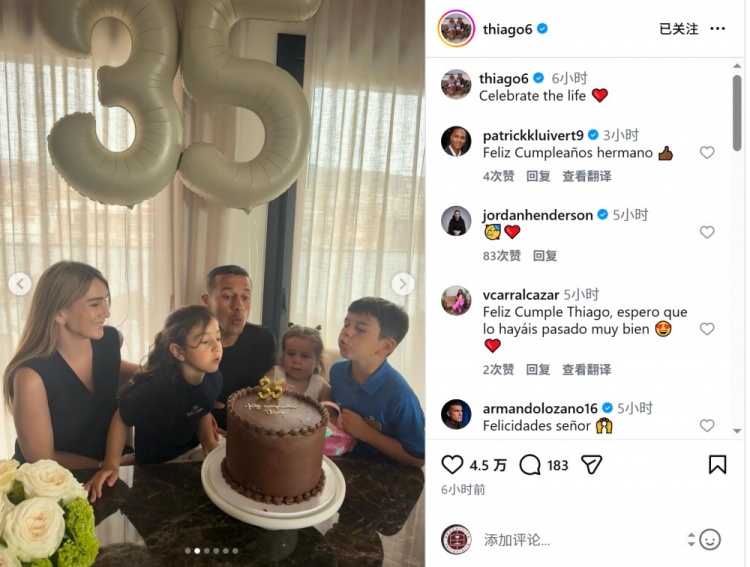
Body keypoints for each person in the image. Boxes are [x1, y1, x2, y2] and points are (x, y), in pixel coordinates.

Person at [3, 261, 139, 469]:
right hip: (51, 478)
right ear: (59, 313)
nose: (106, 312)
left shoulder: (110, 340)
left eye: (105, 301)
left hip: (109, 468)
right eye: (95, 304)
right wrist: (107, 465)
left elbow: (127, 374)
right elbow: (41, 459)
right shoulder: (30, 377)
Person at [85, 305, 223, 502]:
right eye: (205, 341)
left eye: (218, 338)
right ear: (178, 351)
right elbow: (122, 417)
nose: (217, 347)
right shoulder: (155, 388)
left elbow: (202, 409)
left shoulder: (214, 377)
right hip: (154, 466)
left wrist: (210, 444)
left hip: (192, 452)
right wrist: (111, 465)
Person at [330, 297, 424, 468]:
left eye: (360, 329)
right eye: (346, 324)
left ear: (386, 346)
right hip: (342, 458)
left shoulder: (401, 397)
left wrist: (366, 433)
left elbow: (418, 458)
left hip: (384, 471)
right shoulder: (337, 371)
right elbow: (333, 403)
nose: (347, 332)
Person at [201, 265, 276, 431]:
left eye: (245, 297)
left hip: (251, 432)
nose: (239, 306)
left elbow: (268, 383)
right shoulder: (189, 343)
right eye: (228, 296)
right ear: (206, 300)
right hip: (198, 436)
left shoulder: (263, 339)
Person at [267, 324, 331, 402]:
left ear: (317, 360)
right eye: (291, 354)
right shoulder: (275, 374)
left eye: (304, 356)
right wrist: (272, 388)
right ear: (283, 355)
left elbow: (328, 409)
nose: (296, 360)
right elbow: (258, 394)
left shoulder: (321, 386)